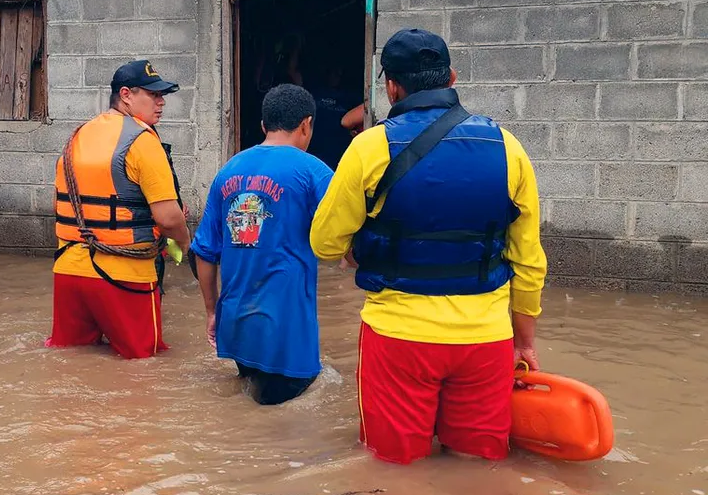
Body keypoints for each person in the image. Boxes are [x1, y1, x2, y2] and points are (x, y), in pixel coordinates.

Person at [310, 28, 546, 464]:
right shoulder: (509, 148)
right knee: (477, 470)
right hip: (487, 341)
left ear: (391, 86)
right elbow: (529, 261)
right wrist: (524, 341)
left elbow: (324, 244)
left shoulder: (368, 148)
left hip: (398, 339)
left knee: (393, 472)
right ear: (452, 78)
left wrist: (354, 251)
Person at [191, 84, 333, 404]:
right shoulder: (313, 171)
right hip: (286, 332)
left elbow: (203, 252)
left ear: (263, 126)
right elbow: (345, 236)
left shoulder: (228, 170)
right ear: (306, 124)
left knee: (249, 407)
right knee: (286, 429)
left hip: (237, 325)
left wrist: (213, 312)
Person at [49, 59, 191, 359]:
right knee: (143, 366)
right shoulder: (142, 140)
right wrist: (185, 242)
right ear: (126, 95)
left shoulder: (78, 135)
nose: (161, 102)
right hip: (123, 276)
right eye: (153, 94)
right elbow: (168, 218)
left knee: (71, 361)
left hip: (69, 272)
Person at [308, 65, 364, 170]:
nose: (336, 77)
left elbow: (350, 120)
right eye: (333, 73)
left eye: (339, 74)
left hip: (338, 146)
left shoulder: (350, 96)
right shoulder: (316, 92)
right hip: (317, 143)